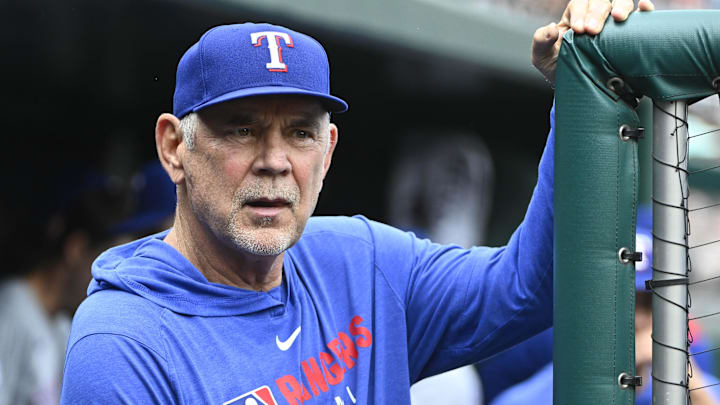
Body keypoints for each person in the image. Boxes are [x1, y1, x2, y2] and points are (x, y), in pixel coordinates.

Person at [60, 1, 654, 404]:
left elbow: (534, 285)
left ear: (328, 150)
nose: (274, 160)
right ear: (174, 149)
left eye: (299, 132)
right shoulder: (123, 343)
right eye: (240, 129)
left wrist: (583, 101)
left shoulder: (361, 262)